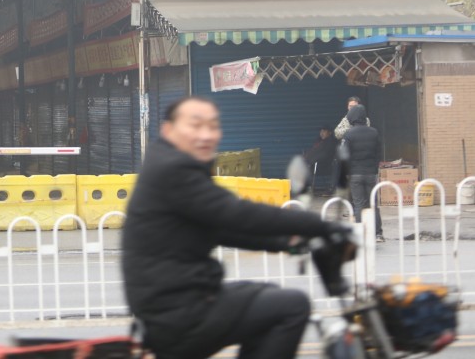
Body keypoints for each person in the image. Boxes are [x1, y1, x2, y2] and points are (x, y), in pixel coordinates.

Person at [123, 96, 350, 359]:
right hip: (179, 313)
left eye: (213, 126)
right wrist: (318, 225)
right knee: (293, 307)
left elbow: (219, 229)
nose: (206, 135)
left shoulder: (167, 164)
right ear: (168, 130)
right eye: (195, 126)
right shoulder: (173, 171)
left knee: (268, 298)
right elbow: (237, 214)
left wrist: (285, 243)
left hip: (174, 305)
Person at [341, 103, 384, 242]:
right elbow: (378, 153)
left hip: (355, 174)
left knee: (358, 204)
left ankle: (360, 233)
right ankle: (378, 234)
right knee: (373, 204)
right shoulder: (374, 132)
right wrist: (374, 168)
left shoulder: (349, 134)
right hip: (371, 174)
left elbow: (345, 156)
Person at [305, 126, 338, 190]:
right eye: (321, 131)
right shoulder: (320, 141)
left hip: (324, 166)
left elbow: (324, 155)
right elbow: (313, 151)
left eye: (324, 131)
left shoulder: (331, 143)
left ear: (330, 133)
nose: (321, 133)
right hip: (313, 163)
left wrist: (311, 161)